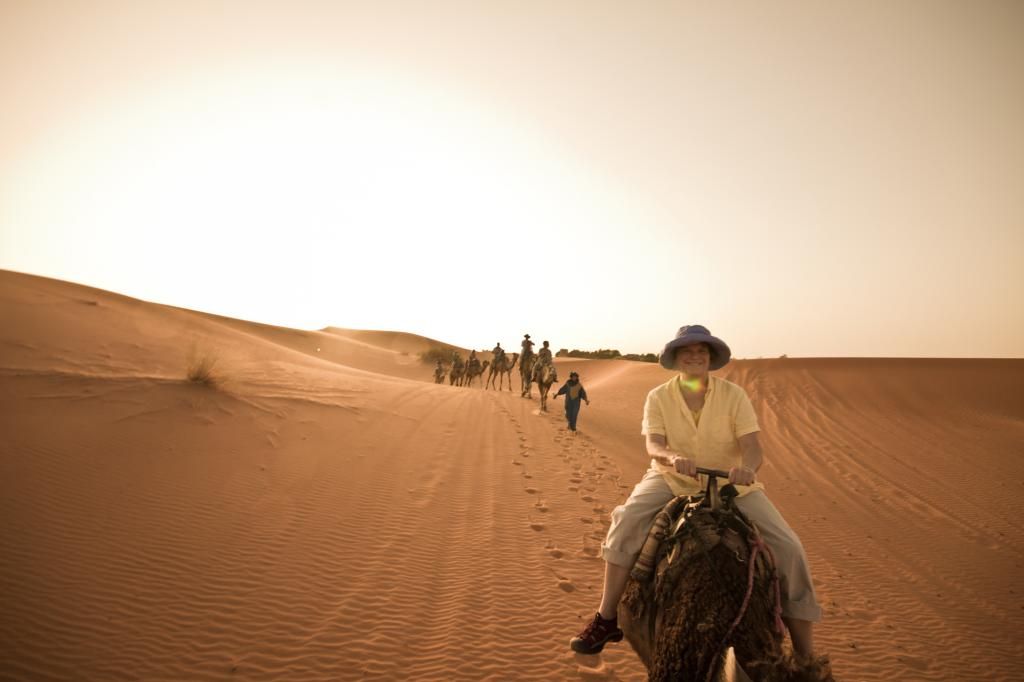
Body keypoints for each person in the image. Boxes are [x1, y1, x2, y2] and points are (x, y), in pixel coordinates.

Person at [569, 325, 821, 657]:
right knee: (625, 521)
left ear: (710, 357)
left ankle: (805, 654)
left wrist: (748, 468)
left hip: (732, 485)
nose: (694, 356)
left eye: (701, 350)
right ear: (675, 358)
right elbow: (654, 444)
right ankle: (606, 618)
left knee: (789, 548)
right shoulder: (658, 397)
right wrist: (672, 457)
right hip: (671, 478)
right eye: (687, 350)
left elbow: (752, 446)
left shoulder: (734, 395)